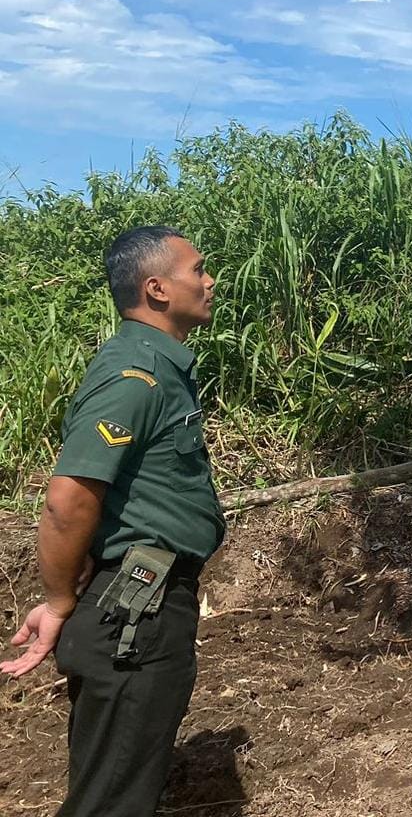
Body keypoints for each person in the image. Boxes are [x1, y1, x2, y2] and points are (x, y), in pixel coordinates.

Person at [2, 226, 225, 817]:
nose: (208, 281)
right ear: (156, 288)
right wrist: (56, 602)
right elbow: (68, 499)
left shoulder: (157, 366)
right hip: (135, 616)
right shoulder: (134, 376)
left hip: (137, 602)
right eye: (197, 271)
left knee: (110, 786)